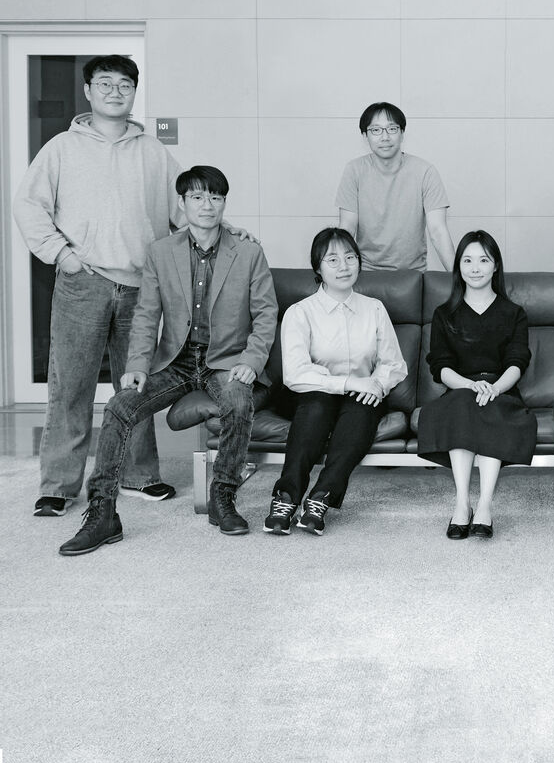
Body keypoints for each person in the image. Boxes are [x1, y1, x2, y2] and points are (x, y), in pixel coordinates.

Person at [58, 166, 278, 555]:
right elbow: (146, 315)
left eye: (216, 197)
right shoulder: (160, 252)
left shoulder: (248, 252)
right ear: (182, 203)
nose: (207, 205)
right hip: (176, 361)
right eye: (197, 197)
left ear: (224, 203)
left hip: (225, 360)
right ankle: (102, 511)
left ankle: (223, 495)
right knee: (120, 405)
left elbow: (265, 315)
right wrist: (137, 365)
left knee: (237, 398)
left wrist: (251, 360)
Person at [16, 55, 182, 517]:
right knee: (70, 387)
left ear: (134, 92)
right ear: (88, 91)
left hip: (140, 287)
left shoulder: (153, 152)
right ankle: (58, 485)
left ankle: (138, 475)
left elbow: (185, 209)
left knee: (136, 386)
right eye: (105, 83)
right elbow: (29, 206)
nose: (115, 92)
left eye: (125, 84)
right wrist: (62, 255)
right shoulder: (61, 148)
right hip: (82, 282)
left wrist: (226, 232)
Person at [262, 228, 407, 537]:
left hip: (360, 395)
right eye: (333, 259)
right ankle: (286, 497)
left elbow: (394, 364)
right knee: (318, 404)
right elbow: (296, 373)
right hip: (307, 394)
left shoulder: (374, 308)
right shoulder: (300, 312)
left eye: (350, 257)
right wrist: (350, 383)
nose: (344, 266)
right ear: (318, 267)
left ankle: (321, 497)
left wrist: (377, 385)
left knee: (362, 409)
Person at [417, 231, 538, 539]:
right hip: (460, 389)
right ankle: (462, 503)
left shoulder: (513, 313)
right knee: (463, 406)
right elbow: (440, 366)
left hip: (501, 390)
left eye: (483, 260)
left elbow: (517, 362)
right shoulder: (445, 314)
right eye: (467, 261)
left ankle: (484, 505)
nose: (475, 268)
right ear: (458, 267)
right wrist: (470, 386)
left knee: (490, 407)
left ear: (495, 266)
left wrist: (494, 388)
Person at [335, 102, 455, 272]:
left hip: (413, 273)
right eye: (376, 130)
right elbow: (347, 227)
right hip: (366, 272)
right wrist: (341, 272)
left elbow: (438, 231)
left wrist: (459, 280)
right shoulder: (354, 170)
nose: (385, 137)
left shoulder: (425, 171)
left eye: (392, 129)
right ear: (365, 136)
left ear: (402, 133)